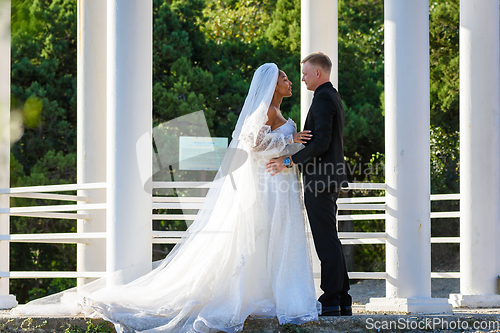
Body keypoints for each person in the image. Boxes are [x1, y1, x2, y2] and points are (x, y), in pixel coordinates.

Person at [11, 63, 320, 332]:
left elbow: (275, 147)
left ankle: (276, 293)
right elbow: (251, 145)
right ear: (270, 83)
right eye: (284, 77)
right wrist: (289, 138)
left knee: (276, 241)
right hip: (264, 187)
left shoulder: (280, 112)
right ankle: (247, 294)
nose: (289, 81)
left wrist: (292, 150)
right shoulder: (263, 111)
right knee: (256, 239)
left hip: (281, 187)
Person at [266, 52, 352, 316]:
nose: (301, 78)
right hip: (327, 178)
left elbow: (321, 143)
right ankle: (342, 298)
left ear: (318, 73)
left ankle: (330, 299)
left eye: (305, 73)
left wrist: (289, 162)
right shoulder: (330, 96)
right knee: (331, 239)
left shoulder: (324, 97)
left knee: (325, 241)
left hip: (321, 180)